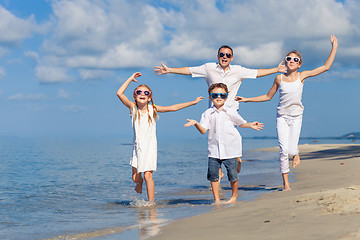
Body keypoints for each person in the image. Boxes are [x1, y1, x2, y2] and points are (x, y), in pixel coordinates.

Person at [155, 45, 286, 174]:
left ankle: (236, 158)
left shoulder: (238, 70)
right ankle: (218, 168)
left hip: (231, 111)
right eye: (222, 54)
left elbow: (256, 73)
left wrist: (276, 69)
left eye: (228, 55)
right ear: (218, 56)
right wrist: (170, 70)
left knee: (230, 136)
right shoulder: (208, 68)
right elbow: (189, 70)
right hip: (213, 111)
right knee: (214, 138)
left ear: (231, 58)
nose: (225, 57)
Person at [236, 35, 338, 191]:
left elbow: (325, 67)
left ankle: (295, 153)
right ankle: (286, 184)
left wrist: (334, 47)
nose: (291, 61)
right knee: (283, 151)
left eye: (295, 60)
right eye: (289, 58)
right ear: (285, 61)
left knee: (291, 150)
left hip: (297, 117)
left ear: (299, 64)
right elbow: (268, 96)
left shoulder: (302, 76)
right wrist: (247, 99)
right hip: (282, 117)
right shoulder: (279, 78)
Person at [117, 72, 204, 204]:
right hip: (137, 148)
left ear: (150, 97)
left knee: (148, 175)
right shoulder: (133, 108)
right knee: (135, 178)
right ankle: (139, 183)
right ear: (134, 95)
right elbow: (119, 93)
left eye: (146, 93)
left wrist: (192, 103)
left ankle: (151, 203)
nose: (142, 94)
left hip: (150, 148)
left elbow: (173, 108)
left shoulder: (153, 109)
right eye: (139, 92)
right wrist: (130, 79)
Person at [184, 83, 263, 204]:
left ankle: (234, 196)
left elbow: (241, 123)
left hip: (230, 148)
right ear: (210, 97)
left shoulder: (230, 112)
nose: (218, 97)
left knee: (232, 175)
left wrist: (251, 124)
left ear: (226, 97)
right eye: (215, 95)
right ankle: (216, 199)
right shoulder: (207, 114)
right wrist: (196, 123)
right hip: (214, 150)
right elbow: (203, 130)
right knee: (213, 176)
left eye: (222, 95)